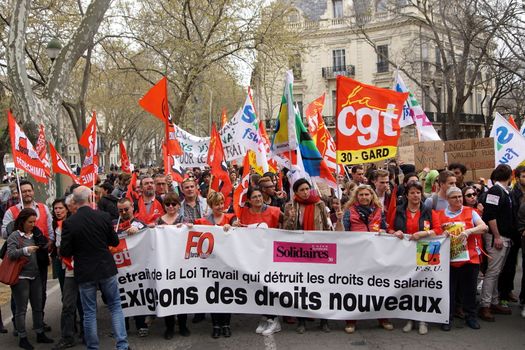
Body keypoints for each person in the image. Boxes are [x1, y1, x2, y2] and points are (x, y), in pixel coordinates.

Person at [60, 186, 129, 350]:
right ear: (91, 198)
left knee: (89, 312)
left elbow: (65, 251)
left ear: (75, 202)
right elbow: (114, 241)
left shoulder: (70, 222)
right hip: (105, 267)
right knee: (115, 306)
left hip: (85, 270)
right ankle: (122, 345)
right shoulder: (103, 216)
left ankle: (93, 347)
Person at [339, 184, 393, 333]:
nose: (364, 197)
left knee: (378, 286)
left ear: (371, 196)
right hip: (355, 255)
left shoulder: (378, 210)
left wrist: (390, 232)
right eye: (361, 195)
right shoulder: (349, 211)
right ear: (356, 197)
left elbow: (384, 228)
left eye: (366, 194)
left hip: (375, 254)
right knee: (354, 287)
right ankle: (351, 321)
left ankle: (383, 318)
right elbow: (343, 232)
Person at [2, 180, 53, 332]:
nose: (27, 193)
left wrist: (48, 248)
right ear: (18, 194)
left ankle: (39, 323)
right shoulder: (11, 211)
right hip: (19, 262)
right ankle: (19, 326)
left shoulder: (43, 208)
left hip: (40, 259)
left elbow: (50, 231)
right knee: (18, 297)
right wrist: (15, 225)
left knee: (40, 293)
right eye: (23, 191)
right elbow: (4, 233)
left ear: (33, 191)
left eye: (29, 190)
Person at [283, 178, 333, 334]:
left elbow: (327, 227)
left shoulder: (320, 204)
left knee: (321, 286)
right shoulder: (290, 206)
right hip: (298, 252)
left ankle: (323, 321)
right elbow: (286, 230)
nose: (305, 192)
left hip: (318, 251)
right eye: (301, 190)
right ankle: (302, 321)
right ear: (296, 192)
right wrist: (290, 218)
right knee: (301, 287)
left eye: (307, 189)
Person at [434, 187, 488, 331]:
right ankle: (447, 318)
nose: (458, 199)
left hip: (470, 258)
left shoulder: (471, 212)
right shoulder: (439, 215)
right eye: (454, 197)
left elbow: (484, 227)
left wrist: (469, 231)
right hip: (448, 260)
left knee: (469, 290)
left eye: (460, 196)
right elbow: (434, 233)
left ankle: (471, 316)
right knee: (449, 291)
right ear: (448, 199)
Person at [390, 181, 436, 335]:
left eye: (418, 192)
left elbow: (439, 229)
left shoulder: (428, 210)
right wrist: (395, 232)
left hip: (426, 251)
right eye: (412, 192)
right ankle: (409, 318)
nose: (416, 195)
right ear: (407, 195)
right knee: (408, 285)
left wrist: (424, 233)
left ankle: (423, 320)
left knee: (423, 286)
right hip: (404, 253)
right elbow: (389, 227)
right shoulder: (398, 210)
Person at [7, 208, 54, 349]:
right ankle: (22, 336)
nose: (32, 224)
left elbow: (43, 246)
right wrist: (26, 250)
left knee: (37, 306)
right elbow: (10, 254)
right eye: (30, 222)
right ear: (22, 221)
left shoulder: (36, 233)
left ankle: (39, 332)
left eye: (34, 221)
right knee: (21, 309)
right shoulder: (15, 236)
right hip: (21, 277)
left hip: (36, 275)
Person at [194, 191, 238, 338]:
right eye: (216, 204)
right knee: (213, 295)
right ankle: (216, 325)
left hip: (227, 264)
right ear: (211, 206)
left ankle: (226, 324)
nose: (220, 206)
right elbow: (191, 230)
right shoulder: (203, 221)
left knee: (226, 294)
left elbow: (238, 226)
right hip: (210, 265)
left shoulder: (230, 217)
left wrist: (233, 227)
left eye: (221, 203)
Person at [479, 164, 515, 321]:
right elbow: (490, 215)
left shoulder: (504, 191)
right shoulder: (495, 191)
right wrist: (497, 236)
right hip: (497, 238)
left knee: (496, 271)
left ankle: (493, 301)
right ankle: (485, 305)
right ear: (510, 176)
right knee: (492, 272)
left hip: (504, 236)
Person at [156, 193, 191, 339]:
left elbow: (192, 232)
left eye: (174, 204)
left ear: (178, 205)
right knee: (166, 296)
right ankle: (169, 327)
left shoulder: (183, 219)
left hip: (180, 264)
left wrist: (187, 227)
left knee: (181, 296)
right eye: (168, 204)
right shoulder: (159, 221)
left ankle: (183, 325)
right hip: (164, 265)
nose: (171, 207)